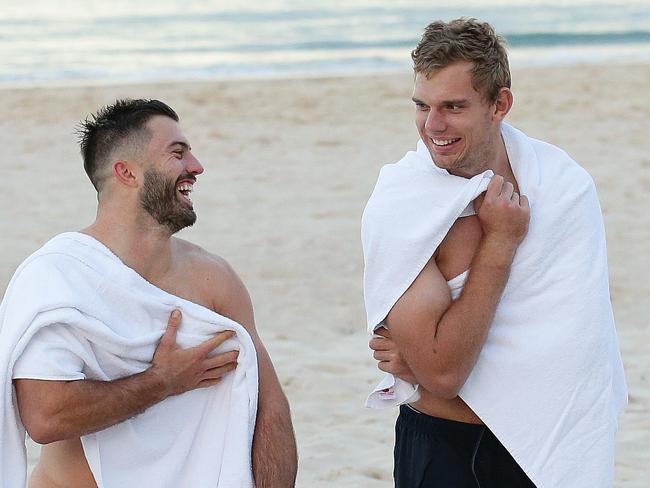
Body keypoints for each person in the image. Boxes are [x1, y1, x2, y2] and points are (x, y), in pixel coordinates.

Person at [362, 18, 626, 487]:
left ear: (499, 103)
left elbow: (579, 338)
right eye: (422, 106)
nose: (433, 125)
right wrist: (500, 244)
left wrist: (418, 359)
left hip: (549, 445)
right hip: (446, 448)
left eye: (453, 106)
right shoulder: (403, 205)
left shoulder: (562, 186)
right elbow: (442, 375)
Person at [1, 99, 297, 487]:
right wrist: (163, 381)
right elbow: (44, 416)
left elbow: (267, 409)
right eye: (178, 153)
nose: (196, 166)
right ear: (127, 172)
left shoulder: (213, 278)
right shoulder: (58, 276)